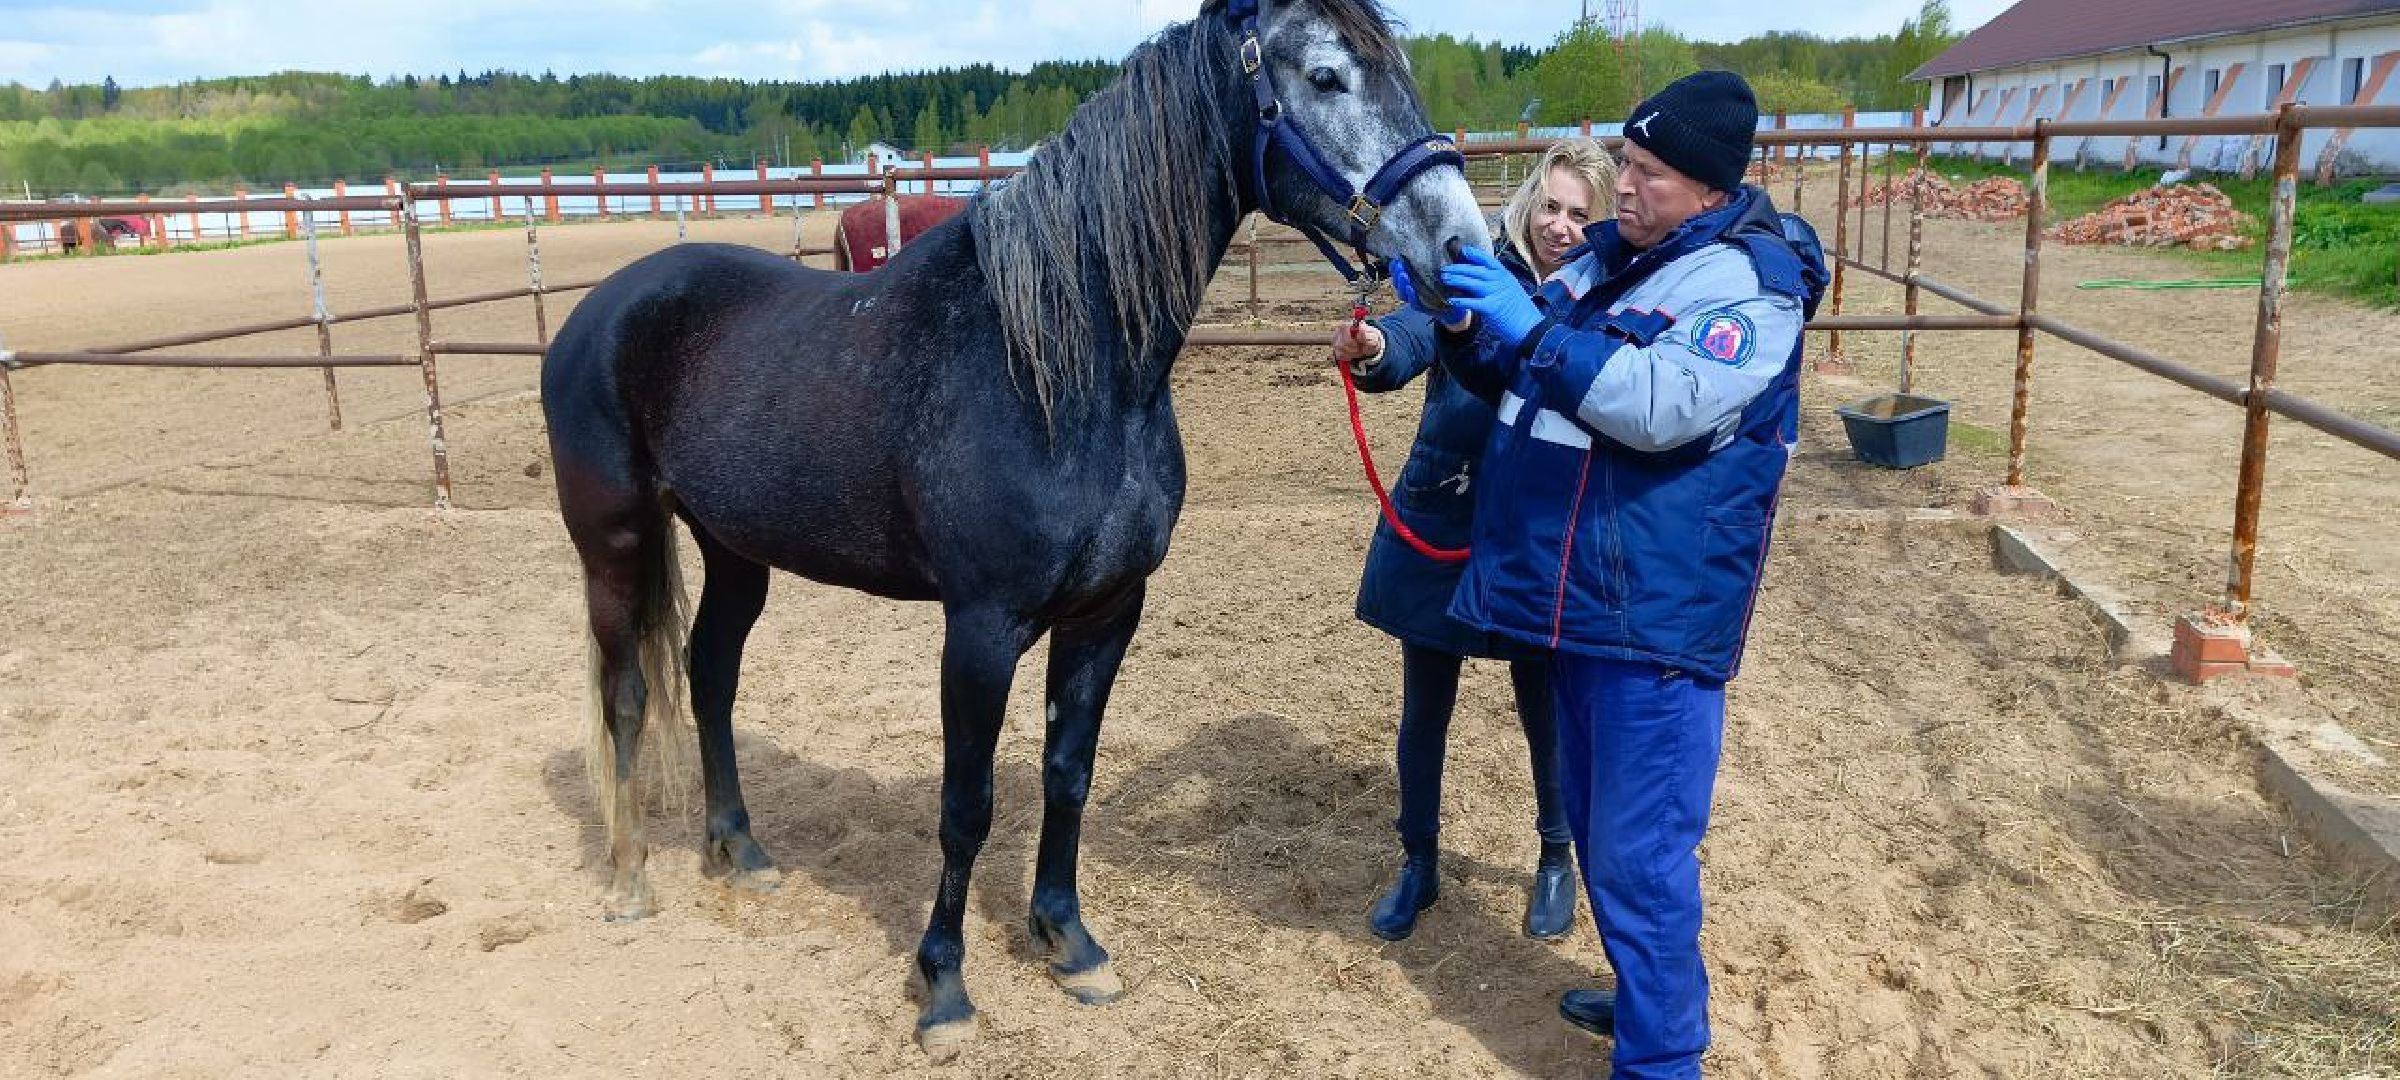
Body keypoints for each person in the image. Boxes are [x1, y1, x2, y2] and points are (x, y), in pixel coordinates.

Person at [1421, 71, 1825, 1079]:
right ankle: (1647, 999)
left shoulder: (1750, 287)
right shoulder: (1613, 258)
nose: (1626, 187)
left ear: (1708, 186)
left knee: (1641, 857)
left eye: (1649, 173)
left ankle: (1663, 1058)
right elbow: (1518, 368)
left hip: (1653, 619)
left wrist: (1532, 332)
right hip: (1584, 602)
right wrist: (1467, 329)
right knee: (1608, 838)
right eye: (1627, 164)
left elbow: (1656, 405)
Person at [1332, 139, 1618, 943]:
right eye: (1550, 205)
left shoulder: (1599, 297)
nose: (1559, 225)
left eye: (1579, 214)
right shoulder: (1477, 267)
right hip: (1446, 509)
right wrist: (1378, 349)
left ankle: (1556, 856)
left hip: (1535, 526)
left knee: (1544, 705)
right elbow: (1421, 329)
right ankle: (1418, 861)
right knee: (1425, 705)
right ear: (1530, 201)